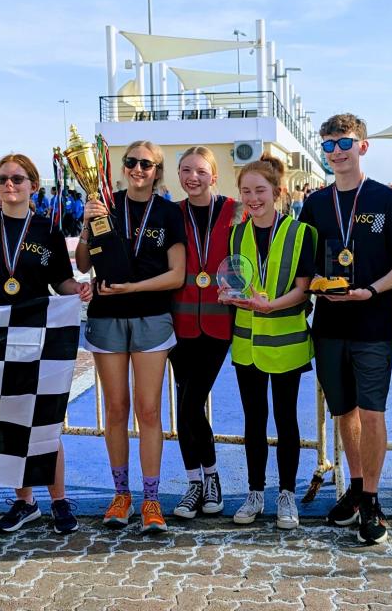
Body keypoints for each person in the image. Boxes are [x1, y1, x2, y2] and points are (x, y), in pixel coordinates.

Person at [299, 113, 392, 545]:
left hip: (372, 321)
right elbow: (305, 266)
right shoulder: (314, 204)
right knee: (343, 412)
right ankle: (358, 488)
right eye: (327, 145)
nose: (336, 152)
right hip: (328, 325)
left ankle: (373, 500)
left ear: (362, 146)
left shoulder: (386, 199)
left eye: (343, 143)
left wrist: (372, 290)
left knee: (372, 412)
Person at [0, 153, 92, 535]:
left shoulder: (47, 230)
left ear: (33, 186)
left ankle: (58, 499)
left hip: (37, 337)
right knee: (7, 421)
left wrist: (80, 289)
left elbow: (61, 283)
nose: (10, 185)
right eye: (3, 179)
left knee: (46, 422)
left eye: (18, 179)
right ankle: (25, 501)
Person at [75, 140, 186, 534]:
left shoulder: (169, 212)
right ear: (122, 167)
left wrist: (133, 289)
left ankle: (151, 499)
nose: (139, 169)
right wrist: (88, 225)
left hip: (152, 317)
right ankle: (121, 494)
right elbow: (84, 263)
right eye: (132, 162)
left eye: (147, 164)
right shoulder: (105, 204)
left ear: (157, 170)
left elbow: (177, 275)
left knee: (149, 410)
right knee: (117, 409)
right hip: (107, 319)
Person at [221, 155, 316, 530]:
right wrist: (228, 295)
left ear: (277, 193)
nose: (252, 198)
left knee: (286, 419)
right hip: (246, 343)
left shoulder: (300, 233)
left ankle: (287, 494)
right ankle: (255, 492)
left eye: (260, 190)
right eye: (246, 191)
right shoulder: (236, 233)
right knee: (254, 421)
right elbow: (235, 280)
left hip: (287, 341)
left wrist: (270, 305)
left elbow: (303, 289)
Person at [169, 147, 240, 520]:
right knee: (186, 402)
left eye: (200, 170)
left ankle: (206, 479)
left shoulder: (235, 211)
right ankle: (198, 482)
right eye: (185, 170)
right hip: (178, 323)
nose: (192, 177)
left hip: (217, 323)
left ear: (214, 175)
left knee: (190, 403)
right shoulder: (171, 214)